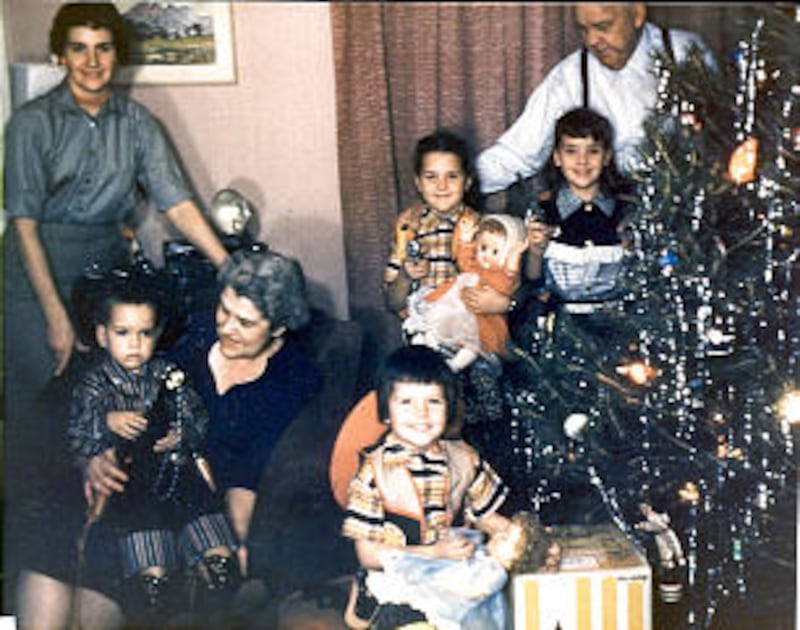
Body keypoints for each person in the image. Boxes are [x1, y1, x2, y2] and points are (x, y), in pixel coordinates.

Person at [3, 3, 230, 625]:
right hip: (35, 276)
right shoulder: (30, 123)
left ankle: (98, 572)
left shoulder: (138, 122)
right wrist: (55, 316)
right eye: (78, 48)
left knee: (111, 405)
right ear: (60, 56)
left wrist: (228, 265)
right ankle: (38, 575)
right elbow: (22, 224)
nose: (93, 60)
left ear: (117, 55)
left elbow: (177, 201)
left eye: (104, 47)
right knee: (49, 426)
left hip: (102, 269)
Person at [66, 265, 239, 623]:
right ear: (102, 335)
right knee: (152, 570)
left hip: (176, 473)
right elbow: (79, 435)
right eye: (123, 333)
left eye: (145, 333)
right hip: (132, 484)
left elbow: (194, 415)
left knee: (217, 554)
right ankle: (159, 603)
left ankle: (218, 598)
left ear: (157, 335)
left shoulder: (166, 374)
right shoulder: (95, 385)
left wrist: (182, 432)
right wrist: (107, 421)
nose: (134, 344)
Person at [167, 248, 323, 583]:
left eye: (246, 322)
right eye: (224, 310)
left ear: (279, 328)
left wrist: (240, 542)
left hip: (211, 503)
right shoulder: (199, 332)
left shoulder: (293, 377)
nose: (226, 328)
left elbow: (248, 470)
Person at [341, 345, 516, 629]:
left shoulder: (464, 459)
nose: (421, 413)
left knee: (490, 599)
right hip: (398, 580)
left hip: (452, 572)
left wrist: (522, 540)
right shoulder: (374, 472)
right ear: (386, 412)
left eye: (434, 401)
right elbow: (369, 554)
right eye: (406, 402)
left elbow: (487, 517)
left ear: (449, 408)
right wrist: (433, 553)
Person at [476, 3, 717, 195]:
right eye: (583, 29)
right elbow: (518, 153)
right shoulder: (569, 76)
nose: (592, 40)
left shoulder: (684, 52)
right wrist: (455, 182)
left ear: (637, 14)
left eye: (602, 26)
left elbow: (722, 133)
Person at [519, 106, 636, 320]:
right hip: (559, 327)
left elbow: (639, 278)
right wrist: (536, 252)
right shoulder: (542, 211)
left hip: (616, 323)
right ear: (556, 157)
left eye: (593, 151)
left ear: (607, 157)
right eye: (571, 151)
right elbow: (532, 282)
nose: (582, 161)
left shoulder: (626, 212)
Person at [366, 512, 558, 630]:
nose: (499, 534)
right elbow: (472, 543)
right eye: (504, 532)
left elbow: (463, 584)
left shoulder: (493, 573)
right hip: (451, 601)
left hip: (459, 617)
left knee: (411, 583)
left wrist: (435, 576)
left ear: (513, 558)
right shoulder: (488, 555)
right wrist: (455, 535)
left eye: (506, 538)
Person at [403, 213, 529, 373]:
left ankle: (454, 365)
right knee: (437, 319)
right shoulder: (475, 268)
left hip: (480, 320)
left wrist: (514, 257)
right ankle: (428, 341)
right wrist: (465, 240)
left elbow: (509, 280)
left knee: (472, 344)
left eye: (495, 251)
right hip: (455, 308)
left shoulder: (500, 276)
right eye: (483, 248)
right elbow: (464, 261)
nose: (486, 255)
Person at [383, 129, 483, 317]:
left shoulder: (483, 228)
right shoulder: (407, 227)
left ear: (467, 182)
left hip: (469, 332)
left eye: (452, 176)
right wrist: (405, 276)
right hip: (423, 332)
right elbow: (392, 303)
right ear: (418, 183)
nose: (442, 185)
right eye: (431, 177)